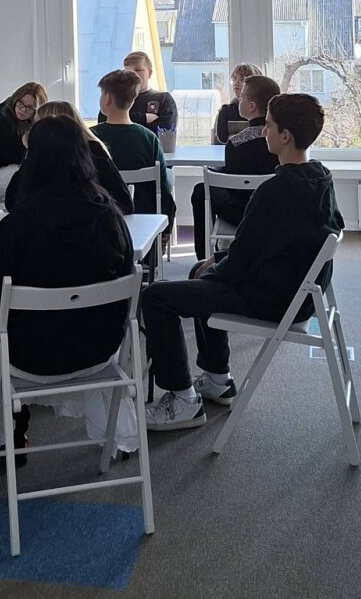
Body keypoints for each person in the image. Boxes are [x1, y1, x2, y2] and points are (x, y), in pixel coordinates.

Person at [141, 93, 343, 431]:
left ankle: (183, 401)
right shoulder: (321, 177)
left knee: (156, 297)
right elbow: (263, 247)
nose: (263, 131)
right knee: (198, 271)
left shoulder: (274, 191)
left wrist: (215, 267)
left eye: (269, 126)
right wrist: (215, 262)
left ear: (285, 136)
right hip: (297, 291)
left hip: (273, 299)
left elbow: (239, 264)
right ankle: (218, 378)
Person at [0, 115, 136, 480]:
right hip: (97, 350)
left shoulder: (15, 227)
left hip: (28, 356)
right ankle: (110, 430)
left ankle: (10, 434)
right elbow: (127, 287)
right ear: (84, 156)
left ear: (31, 160)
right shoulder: (110, 220)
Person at [191, 73, 280, 257]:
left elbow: (233, 187)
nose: (238, 99)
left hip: (242, 211)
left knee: (201, 191)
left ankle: (204, 256)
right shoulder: (280, 140)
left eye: (242, 97)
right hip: (272, 207)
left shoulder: (236, 142)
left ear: (251, 106)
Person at [4, 100, 133, 215]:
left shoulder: (92, 151)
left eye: (37, 124)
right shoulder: (93, 149)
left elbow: (13, 202)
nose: (33, 129)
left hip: (84, 224)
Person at [91, 68, 176, 227]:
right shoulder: (149, 139)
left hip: (101, 218)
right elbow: (163, 188)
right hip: (146, 218)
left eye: (102, 93)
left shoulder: (90, 137)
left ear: (108, 98)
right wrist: (167, 225)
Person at [0, 81, 48, 174]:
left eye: (30, 107)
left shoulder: (21, 121)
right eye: (21, 103)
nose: (23, 109)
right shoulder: (3, 123)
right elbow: (23, 157)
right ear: (15, 100)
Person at [122, 51, 178, 144]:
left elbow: (164, 134)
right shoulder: (116, 98)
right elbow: (105, 122)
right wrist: (143, 118)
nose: (133, 74)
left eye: (138, 70)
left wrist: (124, 123)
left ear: (150, 73)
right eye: (128, 71)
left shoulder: (164, 99)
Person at [213, 63, 261, 144]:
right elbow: (222, 138)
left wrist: (235, 137)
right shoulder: (226, 110)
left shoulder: (263, 110)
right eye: (234, 79)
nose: (236, 83)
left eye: (242, 79)